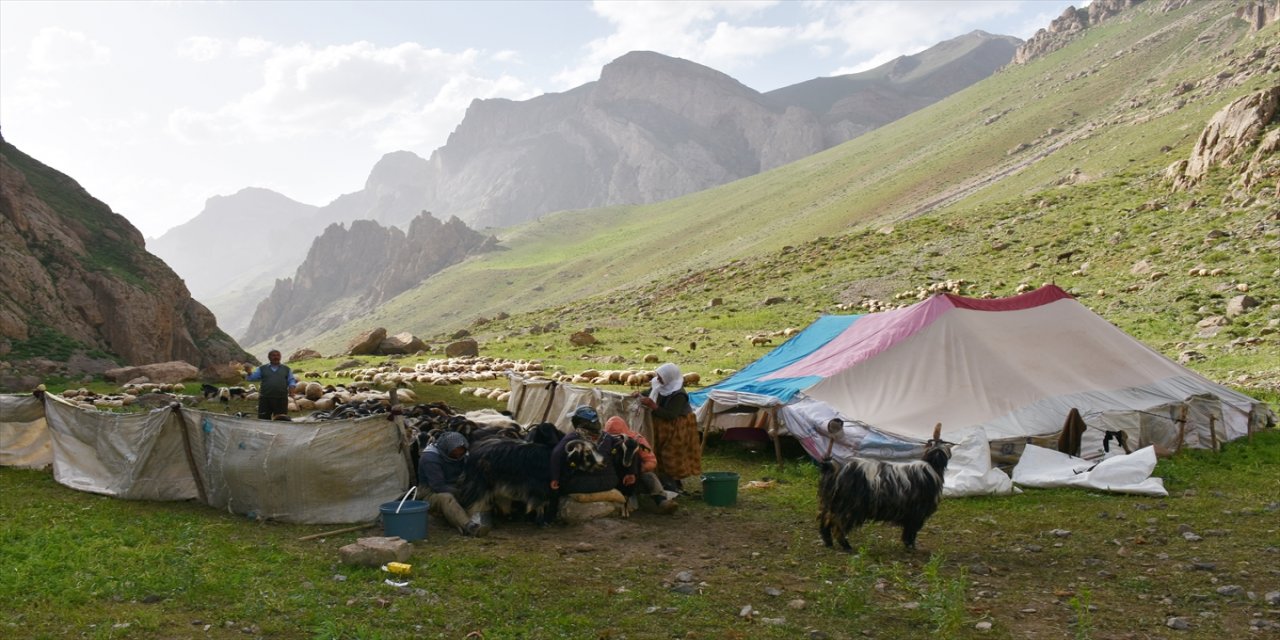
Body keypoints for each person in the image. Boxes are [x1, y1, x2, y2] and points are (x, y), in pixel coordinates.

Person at [634, 362, 701, 493]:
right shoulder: (660, 384)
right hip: (662, 425)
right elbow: (650, 392)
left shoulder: (679, 394)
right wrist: (639, 395)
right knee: (658, 451)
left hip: (678, 426)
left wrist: (653, 406)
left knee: (672, 453)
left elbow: (671, 414)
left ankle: (674, 483)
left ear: (669, 377)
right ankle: (664, 480)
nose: (658, 380)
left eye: (660, 377)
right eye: (658, 376)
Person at [417, 431, 489, 537]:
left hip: (454, 486)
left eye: (461, 453)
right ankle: (469, 527)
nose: (458, 455)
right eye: (455, 453)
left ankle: (481, 520)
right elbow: (438, 486)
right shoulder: (430, 458)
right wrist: (463, 492)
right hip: (429, 492)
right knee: (446, 498)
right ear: (447, 449)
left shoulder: (462, 456)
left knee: (476, 490)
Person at [603, 416, 677, 513]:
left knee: (650, 476)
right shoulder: (604, 441)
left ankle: (661, 501)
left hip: (636, 475)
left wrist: (635, 470)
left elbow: (651, 461)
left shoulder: (637, 440)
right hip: (613, 475)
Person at [549, 406, 618, 495]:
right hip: (609, 481)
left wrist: (554, 478)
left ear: (579, 422)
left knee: (561, 482)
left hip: (582, 483)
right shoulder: (607, 437)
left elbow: (556, 454)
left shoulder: (573, 436)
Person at [244, 349, 296, 420]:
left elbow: (291, 380)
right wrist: (249, 372)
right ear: (269, 357)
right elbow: (252, 378)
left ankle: (279, 431)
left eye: (278, 355)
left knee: (281, 419)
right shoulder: (262, 369)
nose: (276, 357)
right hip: (265, 398)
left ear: (280, 357)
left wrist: (292, 388)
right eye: (273, 355)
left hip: (281, 398)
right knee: (263, 418)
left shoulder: (286, 369)